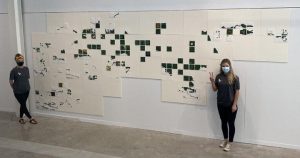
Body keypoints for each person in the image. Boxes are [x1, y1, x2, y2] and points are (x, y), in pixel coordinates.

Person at [209, 58, 240, 151]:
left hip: (231, 105)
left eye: (227, 66)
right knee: (223, 123)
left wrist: (234, 105)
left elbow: (237, 92)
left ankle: (230, 143)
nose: (225, 67)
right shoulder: (219, 77)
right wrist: (212, 81)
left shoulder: (235, 77)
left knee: (231, 124)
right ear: (221, 67)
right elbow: (215, 89)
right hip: (220, 104)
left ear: (230, 66)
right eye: (223, 66)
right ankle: (225, 140)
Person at [9, 53, 37, 124]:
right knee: (23, 105)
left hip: (27, 90)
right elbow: (11, 81)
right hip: (18, 92)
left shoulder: (26, 69)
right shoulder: (14, 70)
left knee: (23, 104)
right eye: (19, 60)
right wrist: (14, 88)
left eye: (21, 59)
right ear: (16, 61)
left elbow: (27, 78)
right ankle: (31, 118)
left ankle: (21, 118)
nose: (20, 61)